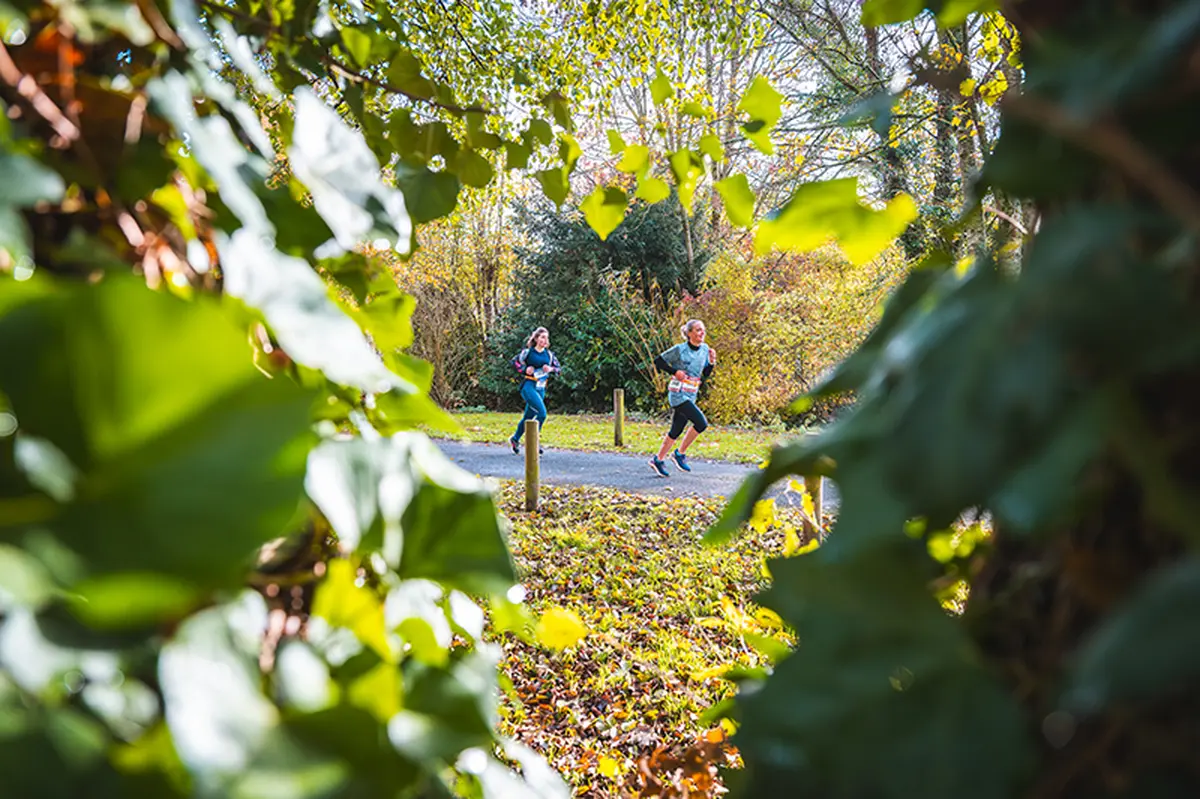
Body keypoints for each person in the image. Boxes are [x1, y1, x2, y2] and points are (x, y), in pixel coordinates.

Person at [649, 318, 716, 477]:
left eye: (703, 330)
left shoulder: (705, 349)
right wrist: (674, 372)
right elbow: (658, 361)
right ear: (689, 333)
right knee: (701, 423)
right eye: (698, 330)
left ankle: (657, 460)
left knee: (676, 430)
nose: (702, 333)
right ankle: (679, 454)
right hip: (678, 394)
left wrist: (712, 362)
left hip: (691, 394)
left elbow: (705, 374)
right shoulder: (680, 349)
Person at [509, 326, 562, 454]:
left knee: (529, 416)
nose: (545, 340)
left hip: (541, 387)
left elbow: (558, 369)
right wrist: (524, 369)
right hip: (529, 386)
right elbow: (514, 362)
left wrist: (551, 369)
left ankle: (515, 439)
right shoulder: (528, 353)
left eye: (547, 337)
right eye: (542, 337)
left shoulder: (549, 355)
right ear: (536, 338)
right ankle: (533, 442)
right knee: (542, 413)